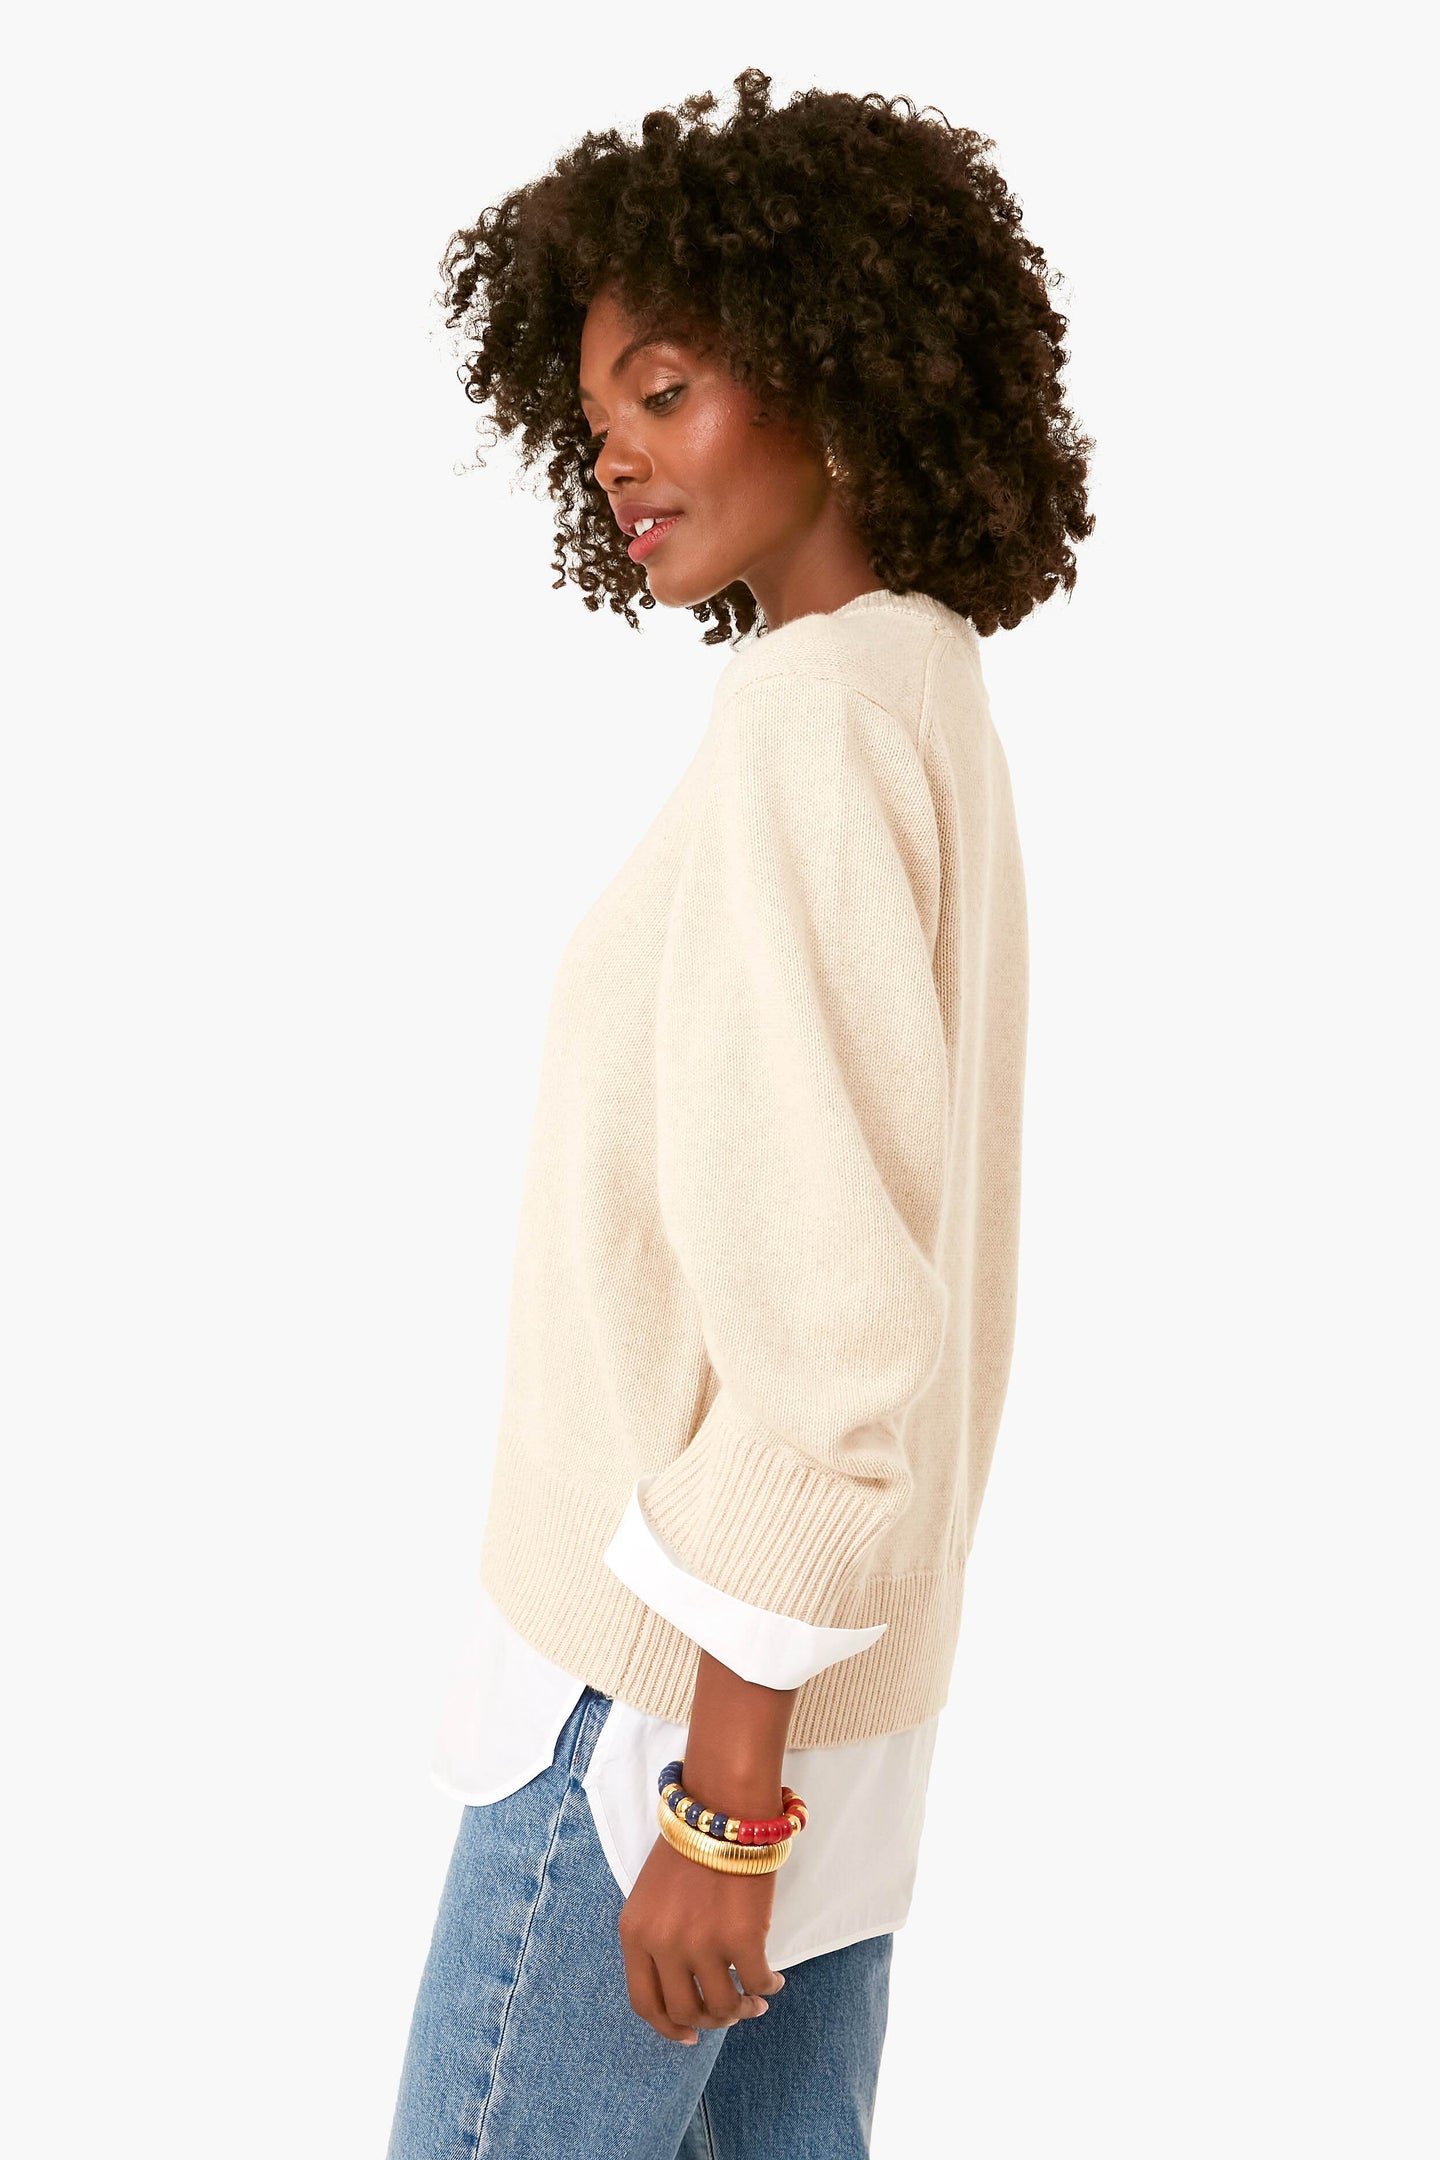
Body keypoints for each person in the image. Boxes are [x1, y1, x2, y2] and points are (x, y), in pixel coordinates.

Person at [388, 67, 1092, 2159]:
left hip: (667, 1718)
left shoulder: (810, 729)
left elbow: (834, 1325)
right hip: (825, 1714)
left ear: (834, 370)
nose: (616, 450)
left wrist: (717, 1803)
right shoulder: (915, 687)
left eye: (669, 389)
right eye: (598, 414)